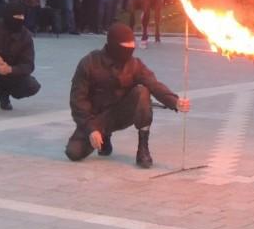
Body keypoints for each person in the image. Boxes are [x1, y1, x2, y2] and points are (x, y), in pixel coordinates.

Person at [66, 23, 190, 168]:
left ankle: (143, 147)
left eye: (132, 45)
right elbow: (78, 100)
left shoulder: (135, 65)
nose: (129, 50)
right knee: (73, 152)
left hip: (121, 113)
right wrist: (91, 129)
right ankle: (104, 136)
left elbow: (154, 85)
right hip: (96, 117)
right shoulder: (89, 63)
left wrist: (174, 101)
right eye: (126, 46)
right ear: (113, 45)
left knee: (142, 92)